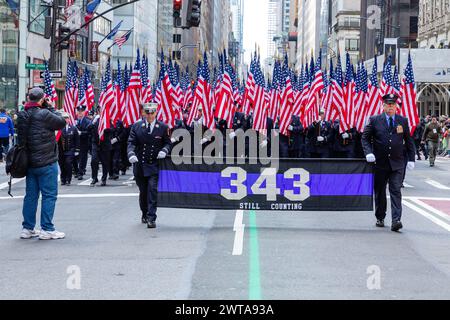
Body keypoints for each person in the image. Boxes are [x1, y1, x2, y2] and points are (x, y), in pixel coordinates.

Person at [17, 87, 66, 240]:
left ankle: (27, 228)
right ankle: (47, 229)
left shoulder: (22, 115)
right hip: (46, 162)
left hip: (30, 163)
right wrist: (51, 107)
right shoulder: (44, 113)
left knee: (31, 196)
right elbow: (61, 122)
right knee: (49, 196)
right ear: (41, 99)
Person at [362, 94, 415, 232]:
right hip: (380, 163)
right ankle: (380, 216)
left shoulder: (402, 120)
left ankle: (396, 220)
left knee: (395, 190)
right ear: (383, 106)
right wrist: (368, 152)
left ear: (396, 106)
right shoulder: (375, 120)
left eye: (393, 105)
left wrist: (411, 158)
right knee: (379, 191)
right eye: (388, 105)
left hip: (397, 163)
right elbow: (365, 138)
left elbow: (409, 140)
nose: (390, 108)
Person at [128, 103, 171, 229]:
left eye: (152, 113)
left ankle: (152, 218)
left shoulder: (162, 127)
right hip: (140, 164)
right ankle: (145, 213)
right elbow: (131, 142)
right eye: (148, 113)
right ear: (144, 113)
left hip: (153, 165)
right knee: (143, 191)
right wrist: (131, 154)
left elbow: (168, 143)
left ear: (156, 113)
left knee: (152, 190)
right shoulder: (137, 126)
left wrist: (165, 150)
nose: (150, 115)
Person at [58, 112, 80, 186]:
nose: (66, 119)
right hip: (61, 151)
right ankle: (63, 179)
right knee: (62, 165)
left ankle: (68, 179)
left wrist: (77, 150)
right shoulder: (59, 129)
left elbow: (77, 140)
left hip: (70, 150)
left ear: (69, 119)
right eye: (64, 118)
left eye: (67, 118)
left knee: (68, 164)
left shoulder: (73, 128)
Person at [75, 105, 91, 180]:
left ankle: (80, 172)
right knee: (75, 158)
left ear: (84, 112)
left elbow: (89, 132)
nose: (80, 113)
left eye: (81, 111)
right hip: (75, 142)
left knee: (82, 158)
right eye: (79, 111)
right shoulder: (75, 120)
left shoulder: (87, 121)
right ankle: (77, 170)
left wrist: (81, 133)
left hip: (84, 142)